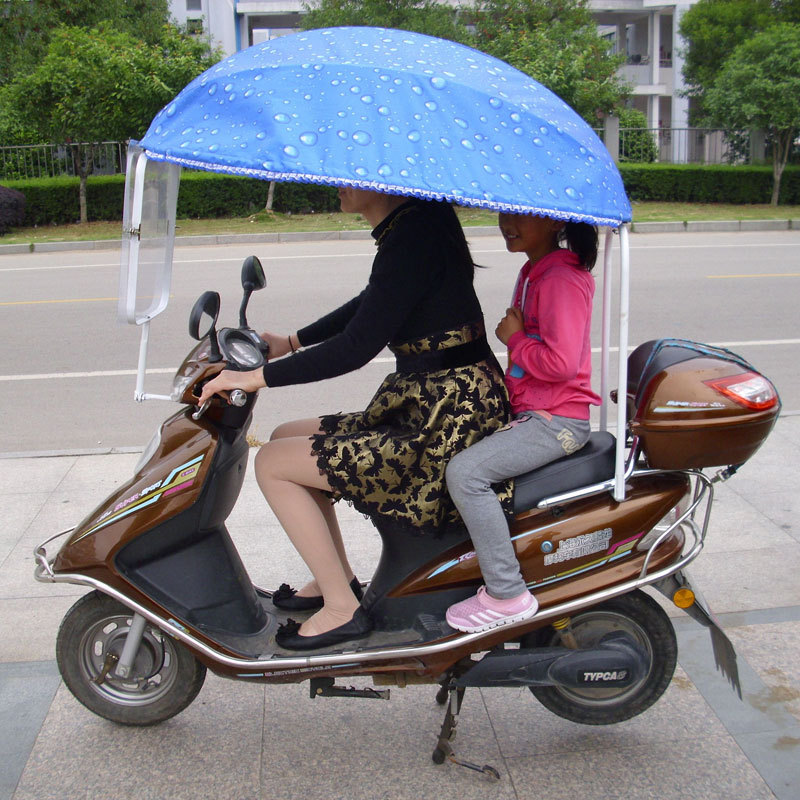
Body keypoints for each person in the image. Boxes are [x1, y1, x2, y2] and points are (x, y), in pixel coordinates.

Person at [198, 187, 511, 651]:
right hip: (434, 399)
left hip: (446, 419)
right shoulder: (415, 225)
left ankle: (343, 611)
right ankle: (336, 580)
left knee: (273, 464)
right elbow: (373, 301)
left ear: (381, 184)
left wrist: (254, 378)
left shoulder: (413, 233)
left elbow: (355, 348)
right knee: (286, 437)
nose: (338, 185)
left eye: (350, 175)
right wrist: (293, 340)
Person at [444, 212, 601, 633]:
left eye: (521, 216)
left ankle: (507, 594)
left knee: (465, 475)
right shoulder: (535, 270)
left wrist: (513, 338)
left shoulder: (559, 279)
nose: (507, 223)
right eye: (505, 213)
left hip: (557, 421)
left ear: (555, 223)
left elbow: (562, 364)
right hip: (533, 410)